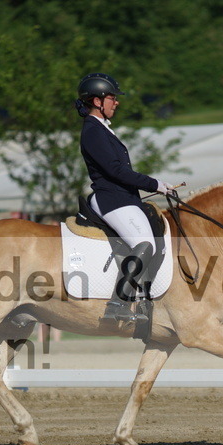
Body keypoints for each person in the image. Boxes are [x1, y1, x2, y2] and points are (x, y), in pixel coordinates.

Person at [75, 72, 176, 323]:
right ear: (97, 101)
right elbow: (116, 171)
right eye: (111, 98)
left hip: (124, 198)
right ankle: (117, 305)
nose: (116, 102)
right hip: (112, 199)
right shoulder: (93, 131)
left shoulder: (102, 129)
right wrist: (155, 184)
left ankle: (144, 299)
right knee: (145, 245)